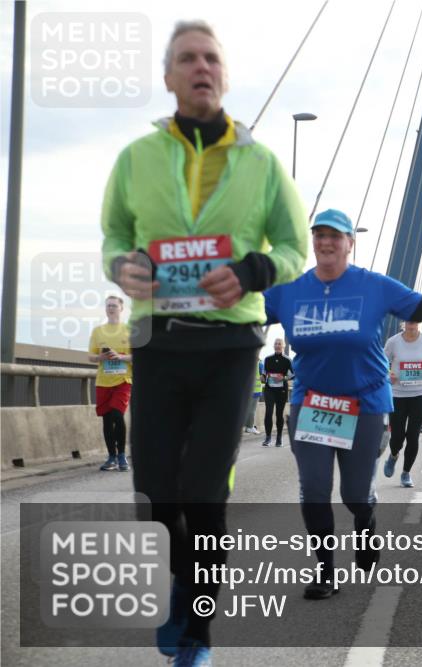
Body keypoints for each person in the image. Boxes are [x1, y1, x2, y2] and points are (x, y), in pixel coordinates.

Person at [100, 19, 309, 666]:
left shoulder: (262, 162)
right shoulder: (135, 158)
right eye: (188, 58)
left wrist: (253, 270)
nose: (201, 67)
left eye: (211, 58)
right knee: (155, 496)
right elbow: (113, 237)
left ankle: (198, 627)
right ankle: (183, 578)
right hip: (157, 340)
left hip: (230, 344)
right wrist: (122, 266)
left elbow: (295, 247)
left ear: (225, 75)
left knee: (204, 490)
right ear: (168, 77)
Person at [265, 207, 422, 598]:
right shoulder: (291, 291)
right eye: (320, 235)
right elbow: (236, 313)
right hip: (311, 403)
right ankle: (325, 571)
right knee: (313, 489)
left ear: (350, 243)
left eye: (335, 236)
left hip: (364, 403)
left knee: (354, 495)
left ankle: (365, 523)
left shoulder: (373, 286)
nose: (326, 242)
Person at [384, 323, 422, 486]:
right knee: (397, 437)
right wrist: (387, 373)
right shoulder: (393, 342)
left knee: (413, 435)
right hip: (397, 394)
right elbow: (381, 363)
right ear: (404, 322)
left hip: (420, 394)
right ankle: (393, 455)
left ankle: (406, 473)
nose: (411, 322)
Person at [87, 295, 133, 472]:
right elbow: (90, 356)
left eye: (114, 305)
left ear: (121, 309)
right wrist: (100, 357)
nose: (111, 308)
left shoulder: (130, 330)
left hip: (123, 379)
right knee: (107, 419)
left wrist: (120, 357)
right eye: (108, 306)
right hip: (103, 381)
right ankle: (111, 457)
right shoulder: (98, 331)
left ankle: (122, 455)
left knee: (116, 414)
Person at [261, 338, 292, 446]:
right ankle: (268, 438)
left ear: (283, 346)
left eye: (279, 344)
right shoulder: (267, 359)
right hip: (269, 389)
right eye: (276, 344)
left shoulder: (287, 360)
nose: (277, 345)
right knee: (268, 412)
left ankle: (279, 438)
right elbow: (264, 372)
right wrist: (263, 376)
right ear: (273, 346)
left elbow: (294, 374)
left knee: (279, 414)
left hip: (281, 390)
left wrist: (284, 378)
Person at [243, 358, 263, 434]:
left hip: (246, 390)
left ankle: (247, 426)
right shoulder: (259, 364)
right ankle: (250, 427)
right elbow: (263, 378)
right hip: (255, 390)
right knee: (252, 410)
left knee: (246, 409)